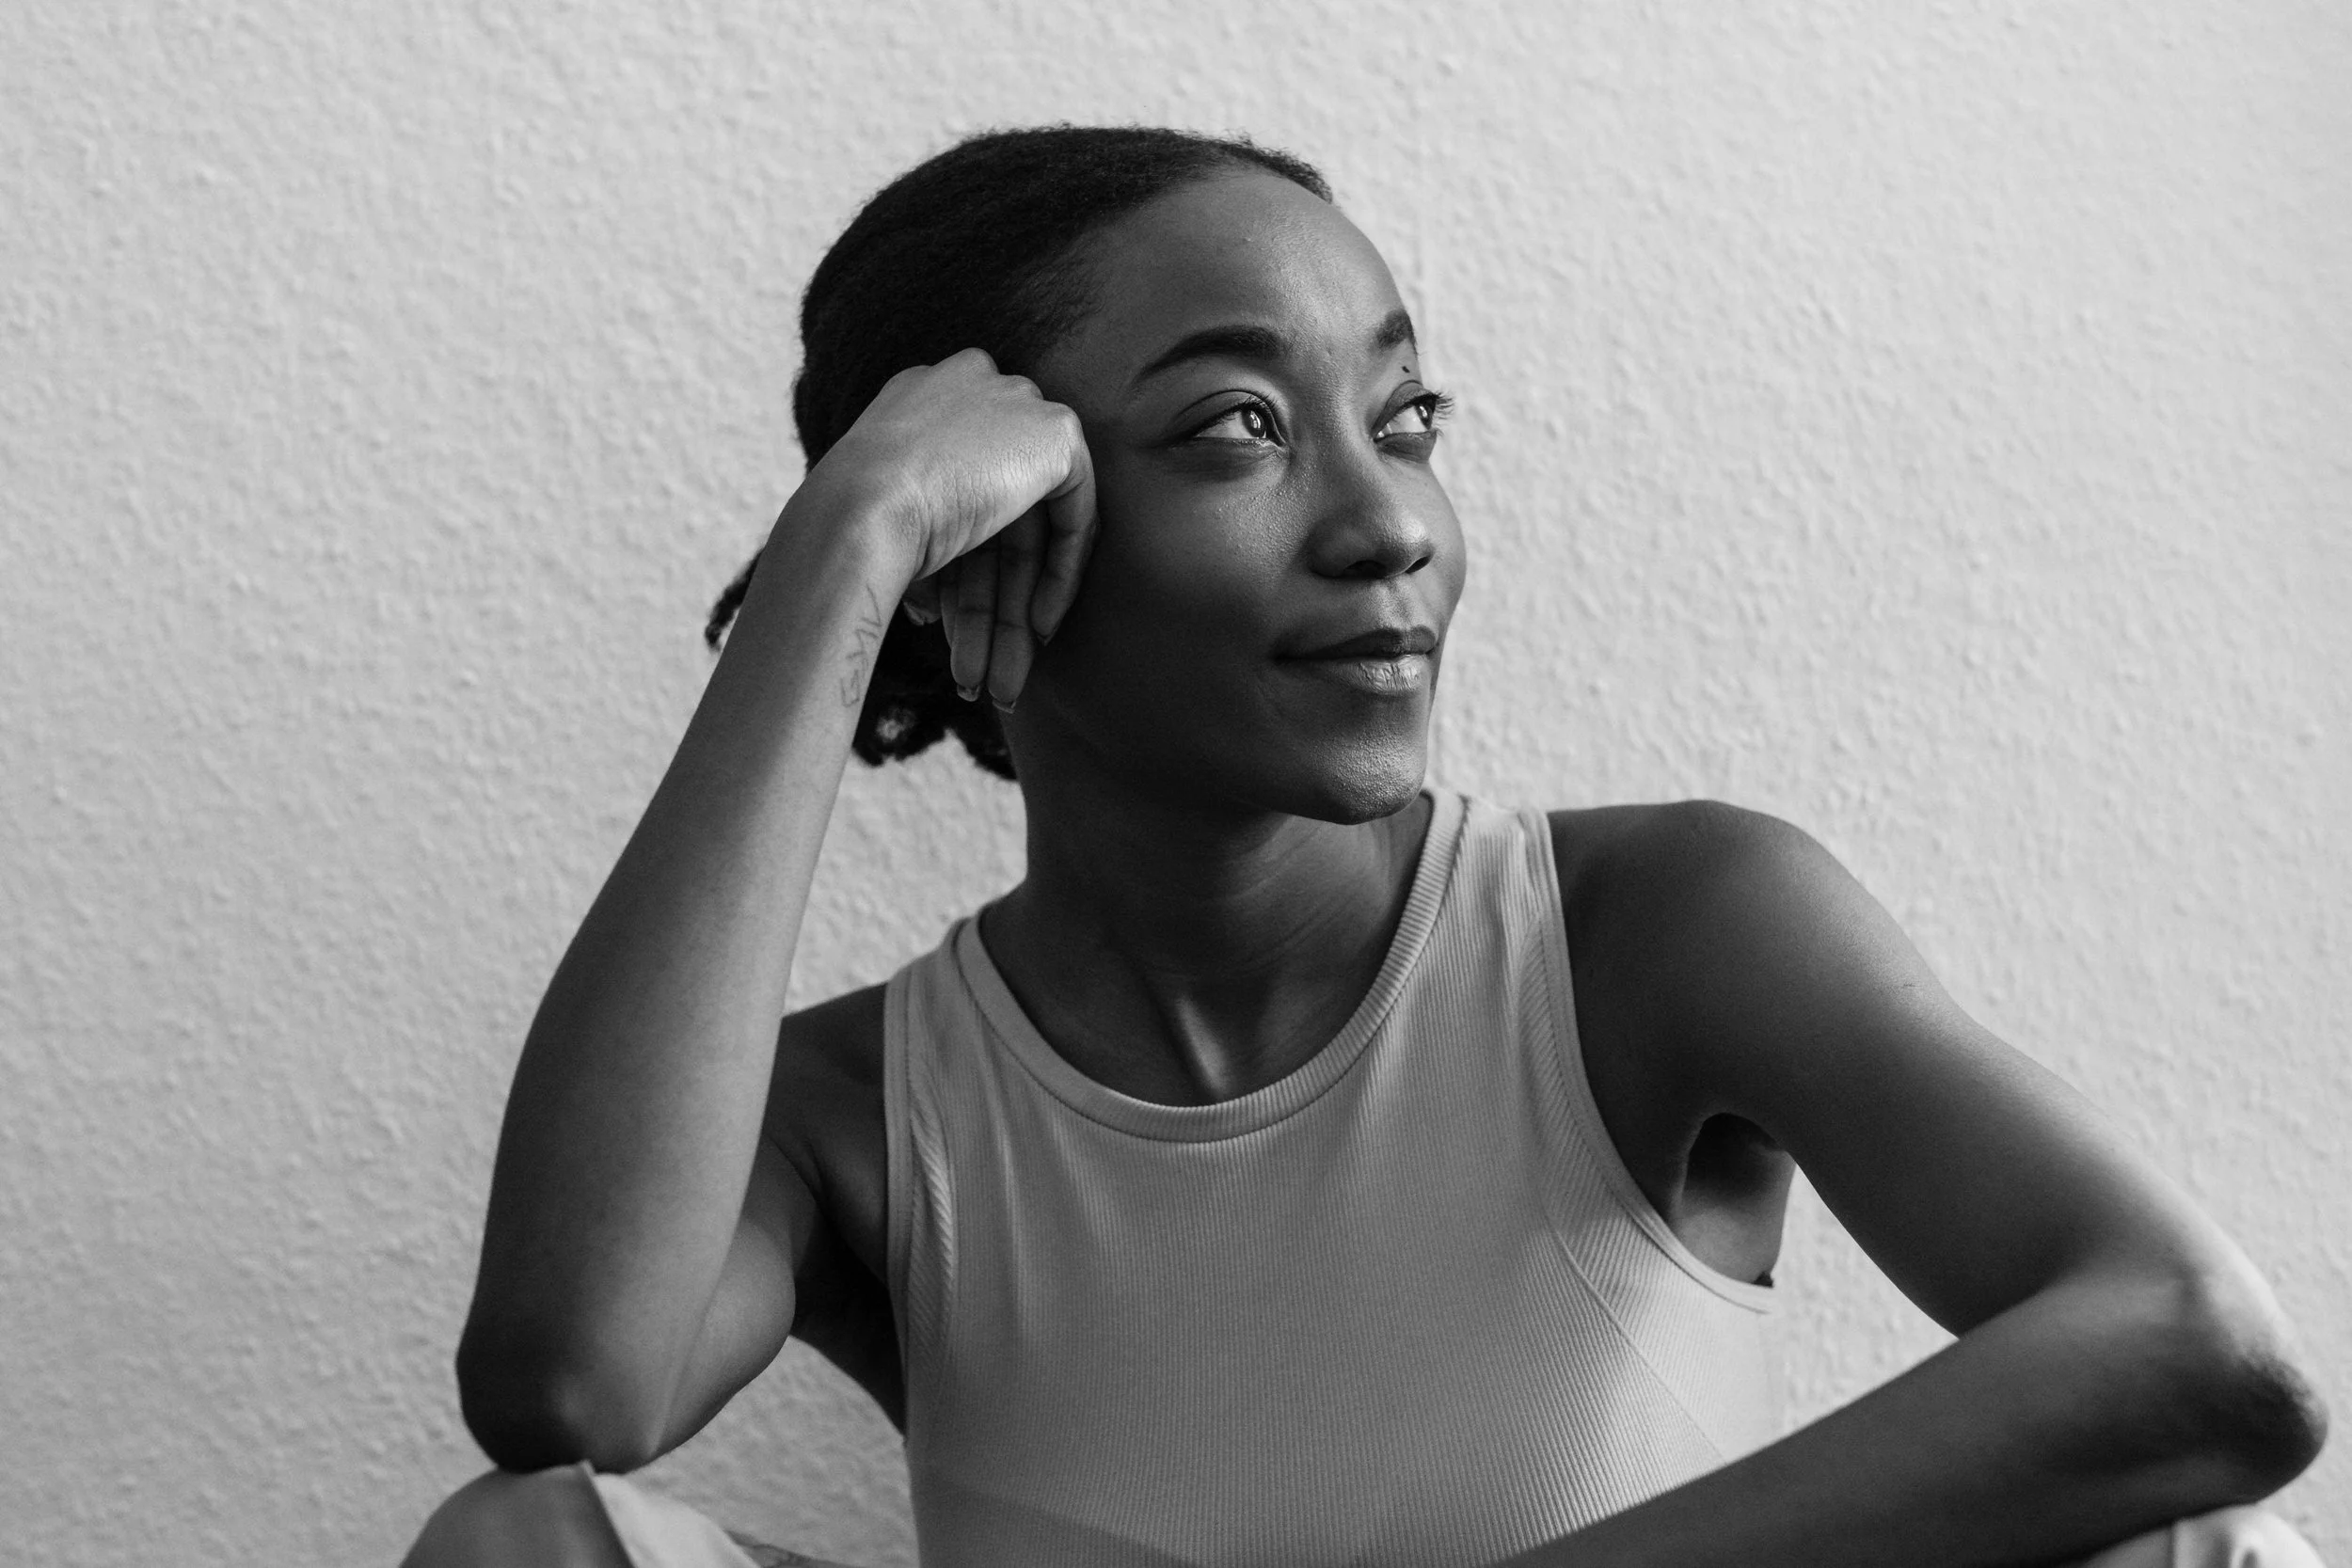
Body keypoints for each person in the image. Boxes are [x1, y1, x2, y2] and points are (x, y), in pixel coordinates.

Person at [402, 126, 2328, 1568]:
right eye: (1239, 426)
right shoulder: (858, 1110)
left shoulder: (1651, 930)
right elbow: (569, 1387)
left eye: (1400, 414)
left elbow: (2198, 1351)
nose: (1386, 518)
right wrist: (844, 550)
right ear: (990, 546)